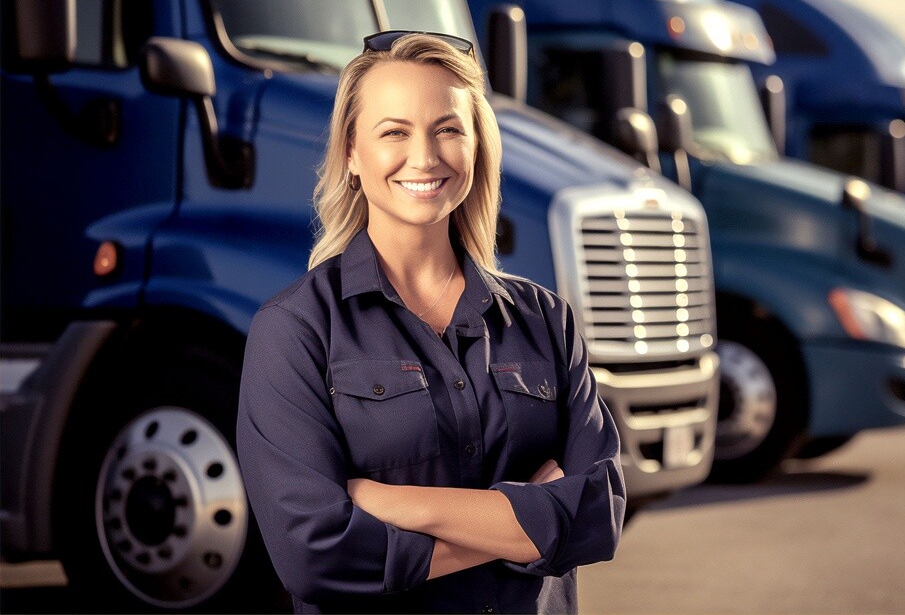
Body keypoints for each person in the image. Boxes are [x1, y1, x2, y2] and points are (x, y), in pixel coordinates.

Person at [236, 31, 625, 614]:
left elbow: (599, 511)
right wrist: (528, 520)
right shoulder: (294, 331)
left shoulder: (547, 322)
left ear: (477, 148)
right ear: (350, 153)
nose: (425, 157)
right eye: (394, 132)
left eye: (448, 129)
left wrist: (396, 506)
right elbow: (314, 554)